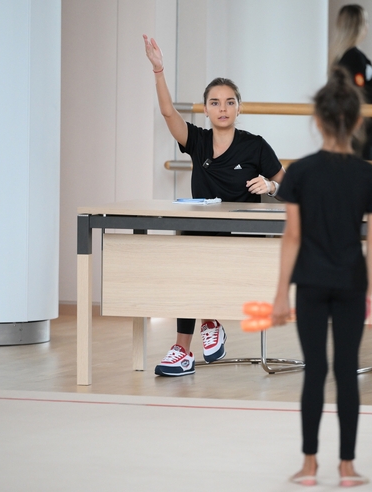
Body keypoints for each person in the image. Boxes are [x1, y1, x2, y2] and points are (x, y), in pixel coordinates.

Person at [143, 35, 285, 376]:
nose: (222, 108)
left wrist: (270, 185)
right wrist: (159, 70)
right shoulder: (198, 141)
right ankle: (185, 346)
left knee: (196, 267)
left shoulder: (255, 146)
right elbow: (166, 112)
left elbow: (288, 183)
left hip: (242, 237)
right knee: (187, 266)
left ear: (239, 107)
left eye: (230, 102)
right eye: (215, 102)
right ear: (205, 109)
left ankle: (208, 321)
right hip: (202, 231)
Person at [271, 67, 372, 487]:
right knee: (347, 369)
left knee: (315, 370)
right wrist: (367, 290)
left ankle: (309, 464)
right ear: (358, 121)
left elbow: (292, 236)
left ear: (316, 121)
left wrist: (281, 294)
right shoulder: (370, 176)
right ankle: (348, 467)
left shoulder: (298, 172)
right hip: (352, 283)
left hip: (311, 284)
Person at [329, 4, 372, 160]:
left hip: (355, 129)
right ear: (358, 26)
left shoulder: (344, 57)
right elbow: (355, 94)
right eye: (365, 21)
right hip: (358, 131)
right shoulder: (354, 58)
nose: (368, 26)